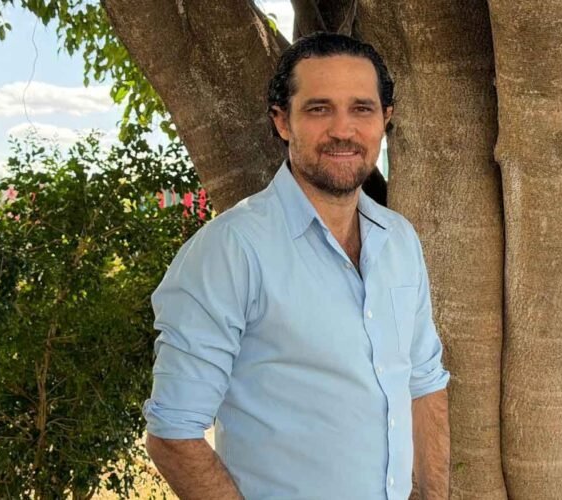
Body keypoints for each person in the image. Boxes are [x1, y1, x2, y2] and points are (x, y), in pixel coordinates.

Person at [142, 32, 450, 500]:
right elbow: (173, 434)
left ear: (385, 120)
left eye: (362, 109)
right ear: (283, 121)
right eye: (319, 109)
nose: (343, 130)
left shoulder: (400, 240)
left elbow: (424, 383)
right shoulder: (231, 250)